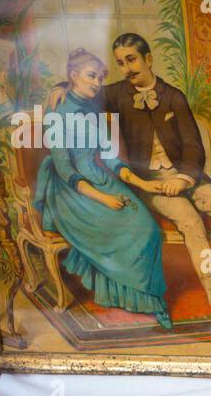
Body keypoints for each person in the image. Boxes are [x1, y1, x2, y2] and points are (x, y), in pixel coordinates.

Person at [103, 32, 211, 331]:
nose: (127, 68)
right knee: (192, 222)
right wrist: (61, 89)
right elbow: (82, 91)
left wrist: (184, 178)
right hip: (151, 184)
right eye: (120, 63)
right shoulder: (115, 95)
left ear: (148, 59)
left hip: (186, 176)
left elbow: (193, 145)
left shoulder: (174, 95)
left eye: (131, 59)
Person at [33, 49, 172, 330]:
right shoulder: (57, 113)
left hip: (97, 176)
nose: (97, 82)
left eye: (99, 77)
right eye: (90, 76)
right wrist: (105, 199)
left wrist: (143, 184)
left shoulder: (95, 108)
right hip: (70, 190)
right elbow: (65, 170)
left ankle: (144, 298)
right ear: (73, 76)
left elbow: (109, 156)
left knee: (148, 229)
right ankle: (134, 300)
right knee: (116, 226)